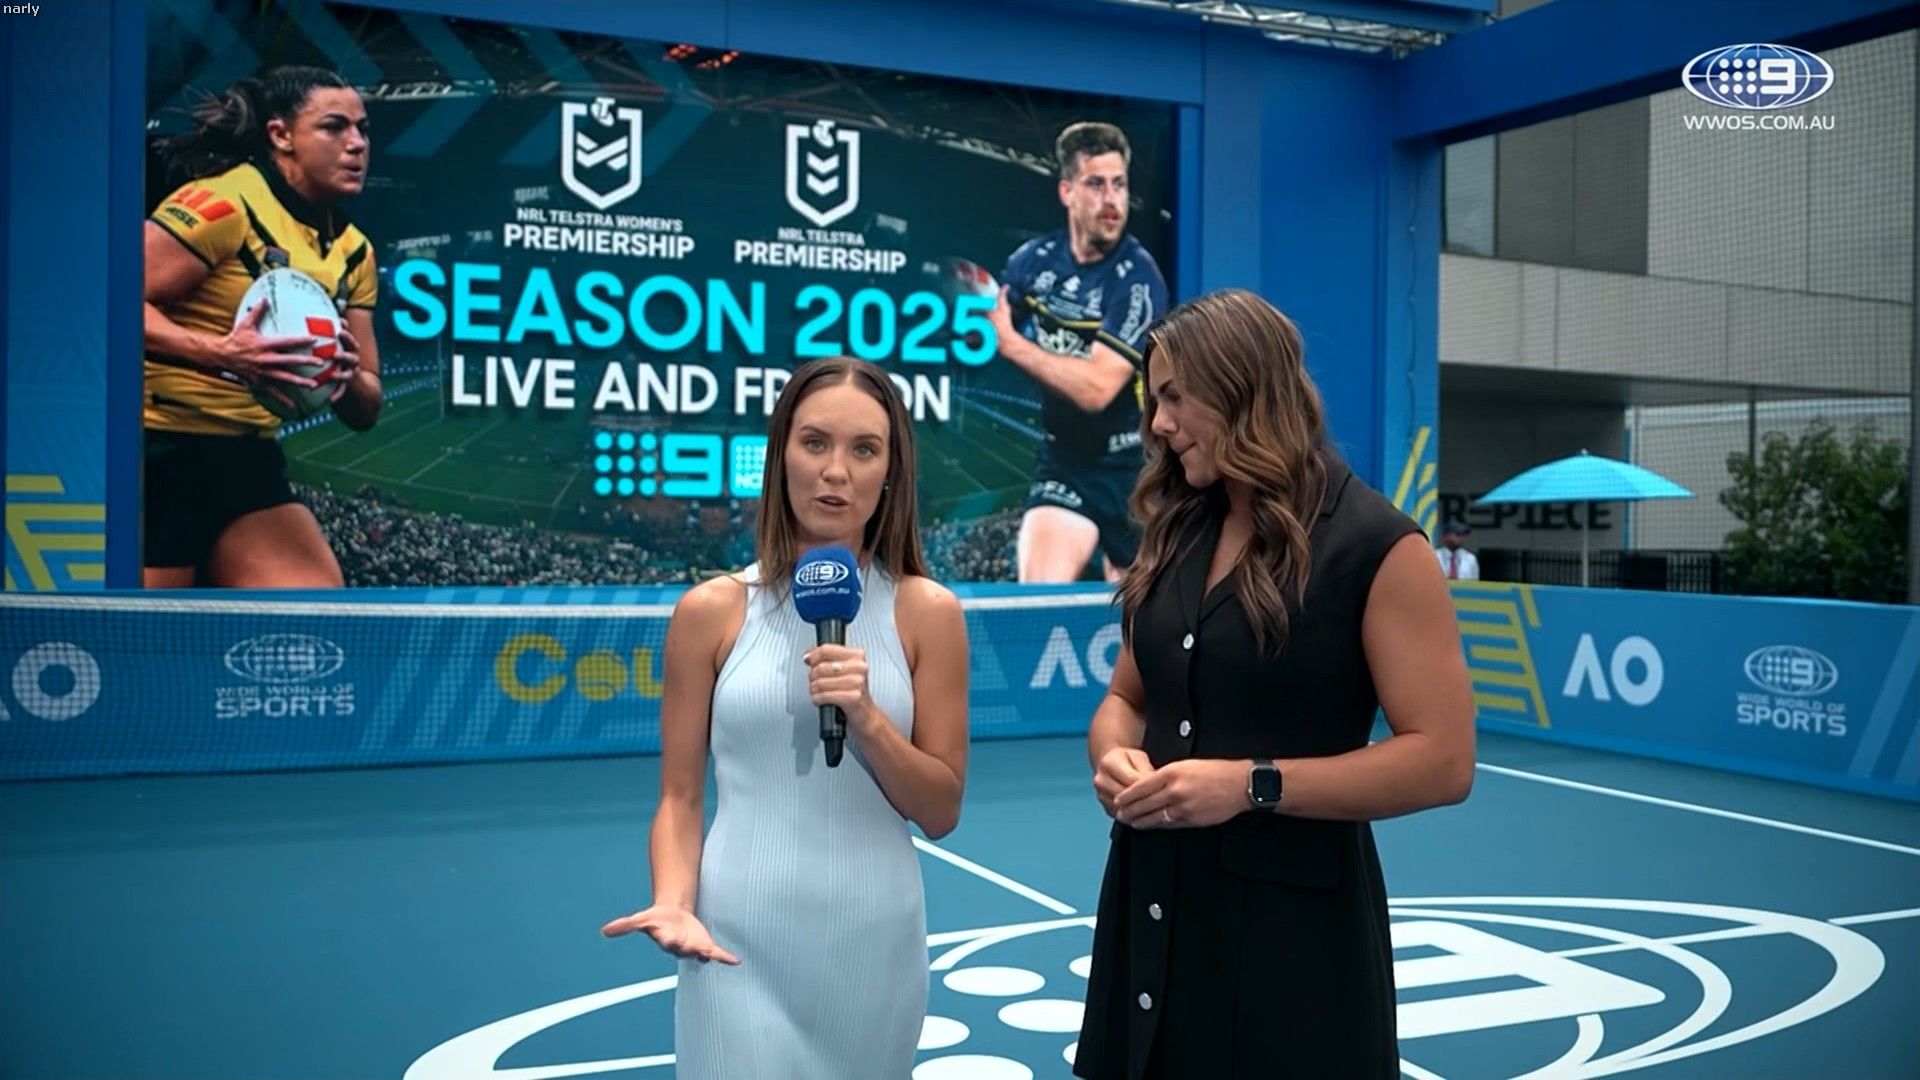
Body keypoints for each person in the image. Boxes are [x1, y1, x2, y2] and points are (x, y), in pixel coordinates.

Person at [1074, 289, 1475, 1079]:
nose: (1158, 424)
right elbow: (1126, 699)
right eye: (1155, 402)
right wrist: (1114, 757)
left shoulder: (1377, 546)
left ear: (1240, 387)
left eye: (1174, 398)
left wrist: (1250, 786)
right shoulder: (1176, 529)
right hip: (1151, 910)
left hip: (1292, 947)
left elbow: (1444, 760)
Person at [600, 357, 970, 1078]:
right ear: (780, 457)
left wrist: (867, 716)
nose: (836, 470)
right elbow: (680, 796)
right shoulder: (709, 613)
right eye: (815, 442)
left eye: (865, 449)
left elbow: (941, 810)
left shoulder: (929, 613)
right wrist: (673, 901)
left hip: (877, 950)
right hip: (734, 945)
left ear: (891, 473)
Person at [142, 65, 383, 587]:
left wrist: (341, 377)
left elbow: (367, 407)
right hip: (158, 454)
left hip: (247, 459)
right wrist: (221, 354)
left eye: (363, 130)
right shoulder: (223, 204)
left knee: (314, 614)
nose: (357, 144)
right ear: (281, 135)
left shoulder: (356, 254)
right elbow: (107, 302)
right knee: (145, 630)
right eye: (334, 127)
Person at [991, 120, 1169, 584]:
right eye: (1096, 184)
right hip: (1064, 462)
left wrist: (1014, 346)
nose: (1112, 200)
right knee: (1038, 602)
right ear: (1067, 192)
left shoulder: (1138, 281)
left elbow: (1097, 389)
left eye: (1119, 185)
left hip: (1134, 469)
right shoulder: (1032, 261)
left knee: (1141, 613)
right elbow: (991, 317)